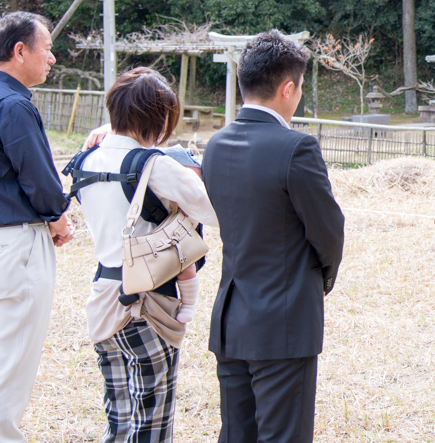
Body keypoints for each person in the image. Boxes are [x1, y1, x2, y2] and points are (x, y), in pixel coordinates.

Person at [202, 29, 345, 443]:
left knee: (236, 434)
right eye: (299, 88)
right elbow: (328, 231)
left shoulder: (216, 145)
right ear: (287, 88)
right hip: (283, 320)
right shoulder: (296, 148)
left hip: (232, 318)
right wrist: (322, 279)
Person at [73, 67, 218, 442]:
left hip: (104, 294)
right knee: (152, 421)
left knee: (120, 417)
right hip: (149, 301)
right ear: (159, 119)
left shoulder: (85, 161)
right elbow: (213, 212)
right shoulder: (155, 166)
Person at [0, 11, 74, 443]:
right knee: (13, 356)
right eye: (45, 48)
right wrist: (57, 215)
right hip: (17, 242)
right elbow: (38, 176)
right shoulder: (13, 105)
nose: (51, 57)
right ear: (19, 50)